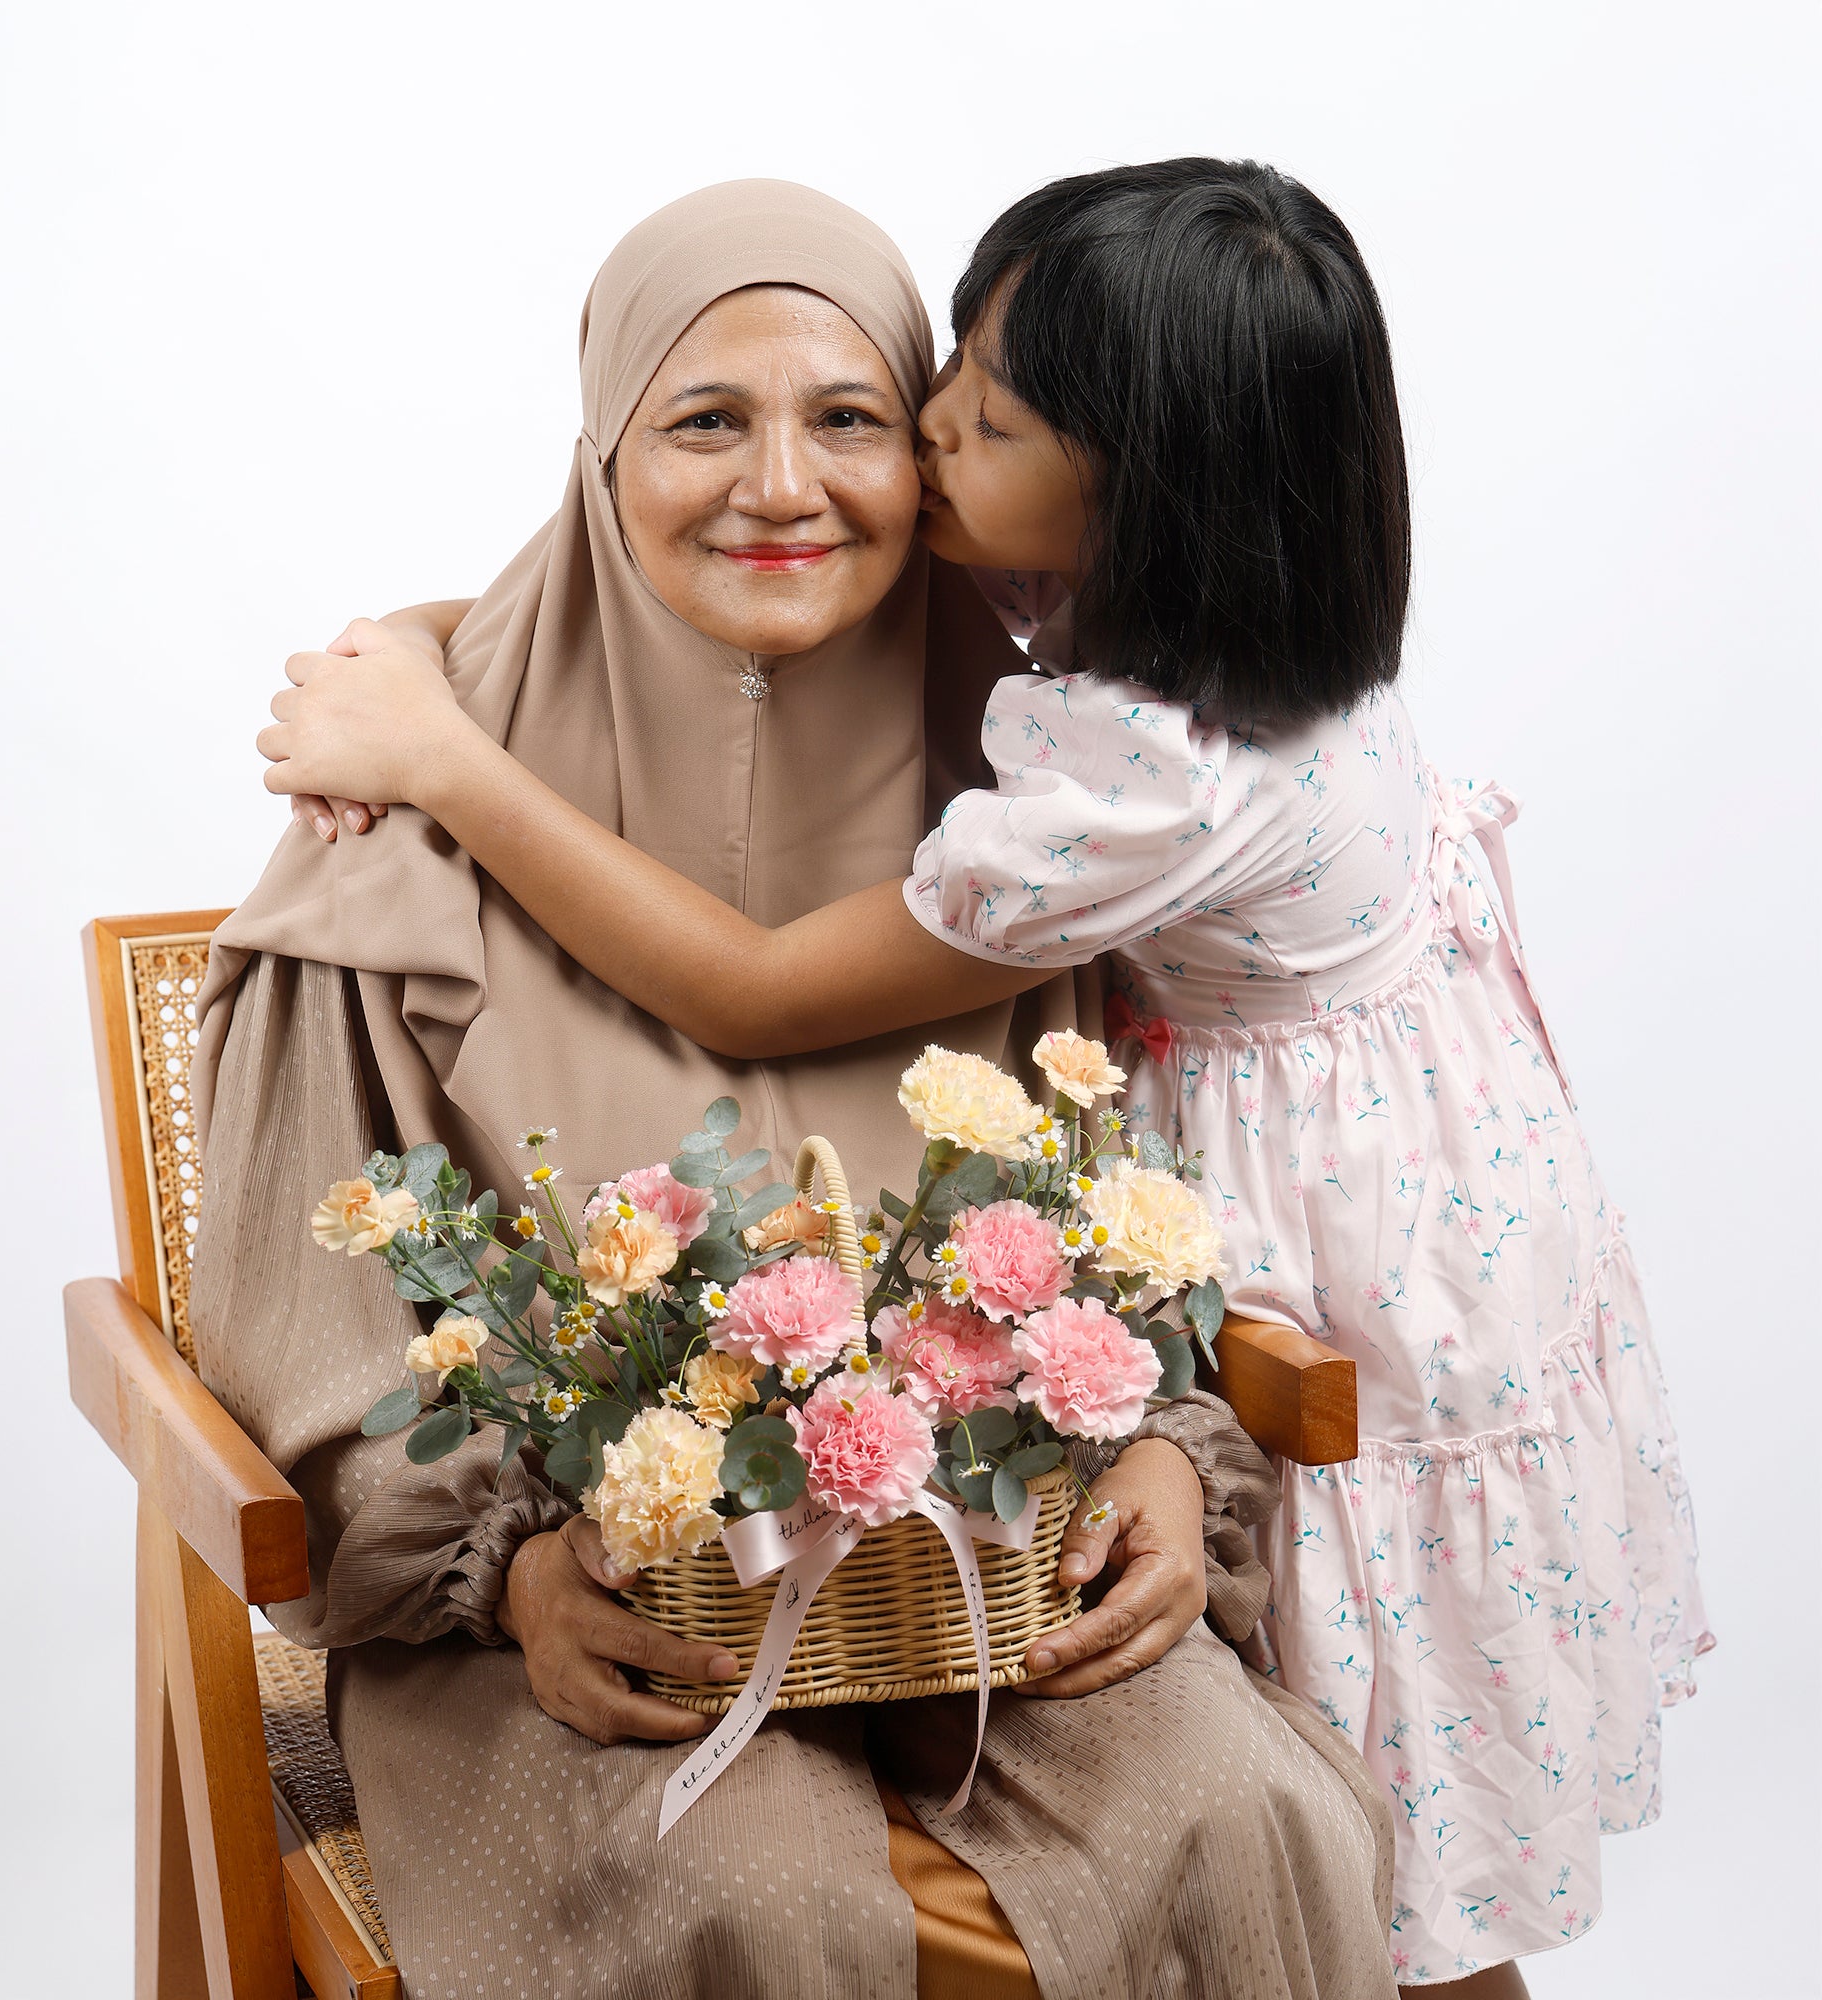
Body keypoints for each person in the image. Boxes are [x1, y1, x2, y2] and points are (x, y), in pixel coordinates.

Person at [259, 160, 1710, 1994]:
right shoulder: (394, 833)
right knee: (752, 1892)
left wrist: (1175, 1458)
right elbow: (308, 1339)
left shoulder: (1043, 816)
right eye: (703, 420)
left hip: (1007, 1586)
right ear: (598, 457)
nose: (790, 484)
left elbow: (1130, 1204)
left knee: (1244, 1820)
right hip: (617, 1637)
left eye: (864, 418)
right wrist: (506, 1570)